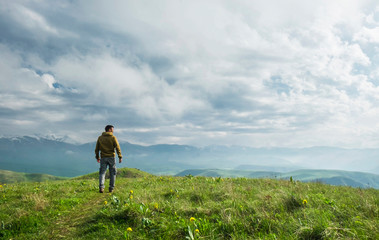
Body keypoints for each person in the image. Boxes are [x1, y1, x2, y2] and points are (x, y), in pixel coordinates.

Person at [95, 125, 123, 193]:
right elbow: (117, 147)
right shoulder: (113, 137)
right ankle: (111, 188)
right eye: (112, 129)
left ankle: (101, 187)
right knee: (112, 173)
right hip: (111, 157)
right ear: (109, 129)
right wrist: (120, 156)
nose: (113, 131)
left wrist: (97, 157)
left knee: (102, 172)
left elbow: (97, 149)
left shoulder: (100, 138)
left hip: (103, 157)